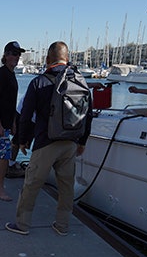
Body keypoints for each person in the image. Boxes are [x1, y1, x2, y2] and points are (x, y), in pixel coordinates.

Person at [5, 41, 92, 237]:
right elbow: (89, 114)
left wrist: (22, 140)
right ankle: (62, 225)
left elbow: (26, 115)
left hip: (46, 142)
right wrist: (83, 141)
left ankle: (22, 224)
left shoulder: (39, 82)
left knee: (31, 184)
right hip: (70, 142)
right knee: (66, 186)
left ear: (47, 59)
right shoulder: (80, 81)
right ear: (67, 58)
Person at [0, 40, 26, 202]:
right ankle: (1, 188)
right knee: (4, 155)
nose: (16, 57)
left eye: (18, 54)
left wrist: (13, 122)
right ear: (6, 55)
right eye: (14, 54)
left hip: (7, 122)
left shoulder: (11, 73)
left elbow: (11, 101)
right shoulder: (1, 74)